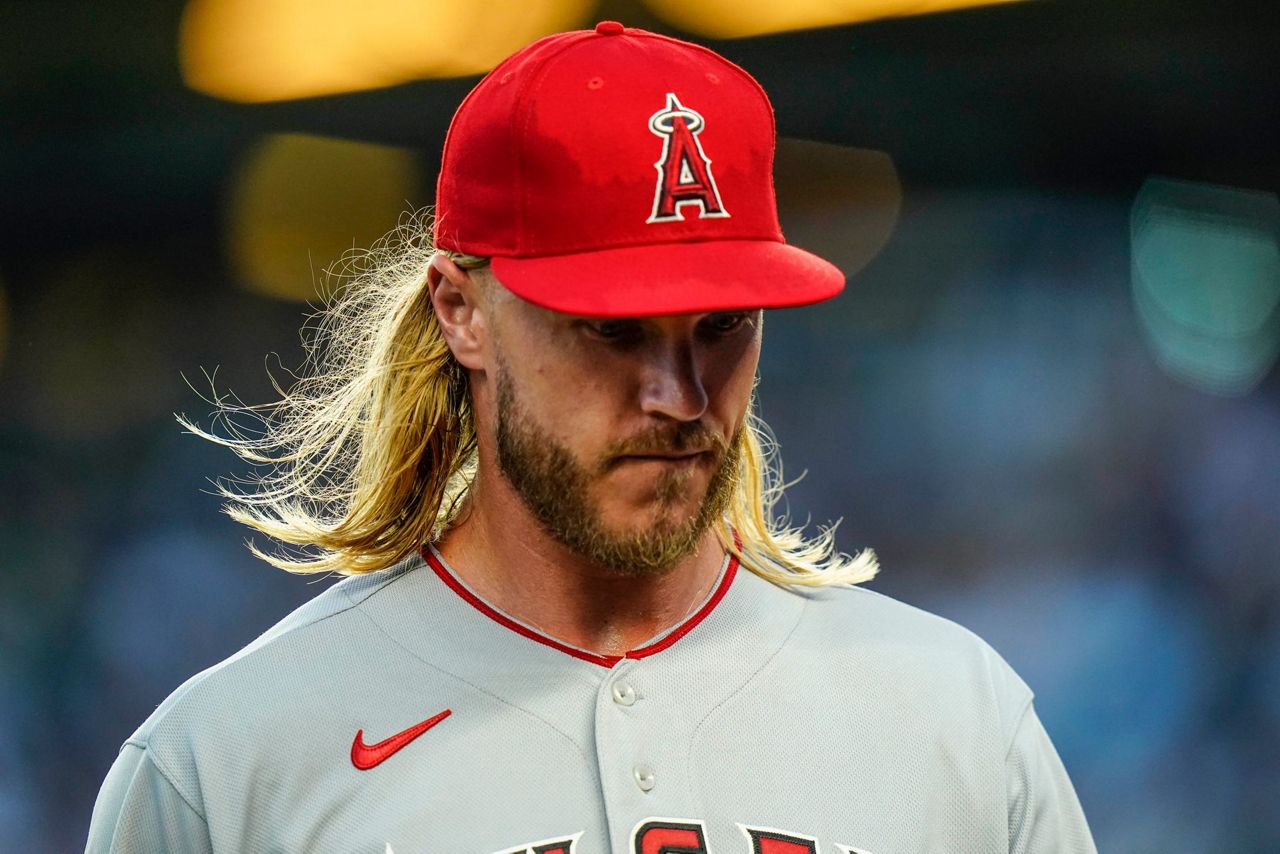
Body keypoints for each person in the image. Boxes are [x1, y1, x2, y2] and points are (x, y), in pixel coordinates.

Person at [86, 21, 1095, 854]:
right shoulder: (221, 763)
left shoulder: (953, 714)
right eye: (611, 330)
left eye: (723, 323)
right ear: (460, 310)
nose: (678, 392)